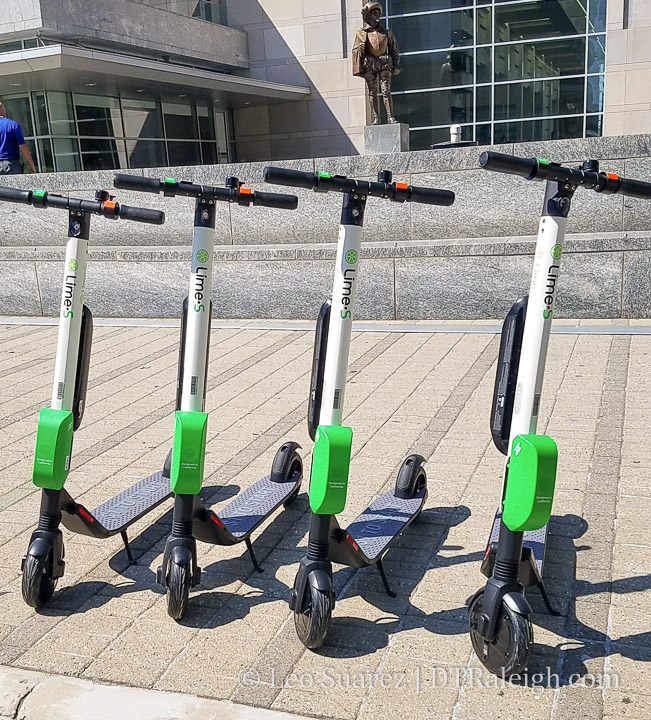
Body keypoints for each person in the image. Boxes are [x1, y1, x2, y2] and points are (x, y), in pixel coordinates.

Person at [352, 2, 401, 125]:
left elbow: (394, 49)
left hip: (384, 63)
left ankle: (390, 117)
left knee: (386, 90)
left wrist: (396, 65)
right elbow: (355, 51)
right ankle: (376, 118)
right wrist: (361, 50)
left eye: (378, 13)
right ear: (368, 16)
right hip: (369, 63)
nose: (377, 15)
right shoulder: (362, 33)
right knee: (372, 91)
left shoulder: (386, 33)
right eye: (374, 13)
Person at [0, 102, 36, 174]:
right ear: (3, 110)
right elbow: (22, 146)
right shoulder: (13, 125)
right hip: (11, 164)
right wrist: (31, 164)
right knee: (14, 185)